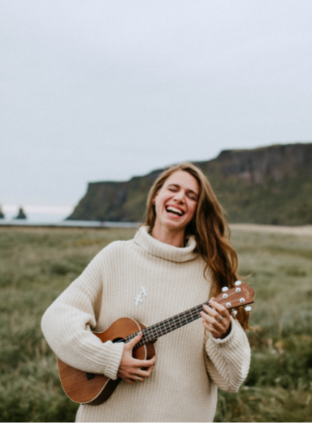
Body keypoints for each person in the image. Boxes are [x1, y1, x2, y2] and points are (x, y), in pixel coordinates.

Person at [41, 162, 251, 422]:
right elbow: (57, 318)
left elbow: (232, 380)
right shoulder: (116, 256)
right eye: (173, 189)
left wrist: (226, 335)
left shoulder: (211, 277)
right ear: (155, 197)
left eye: (191, 195)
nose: (179, 198)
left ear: (198, 210)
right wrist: (109, 359)